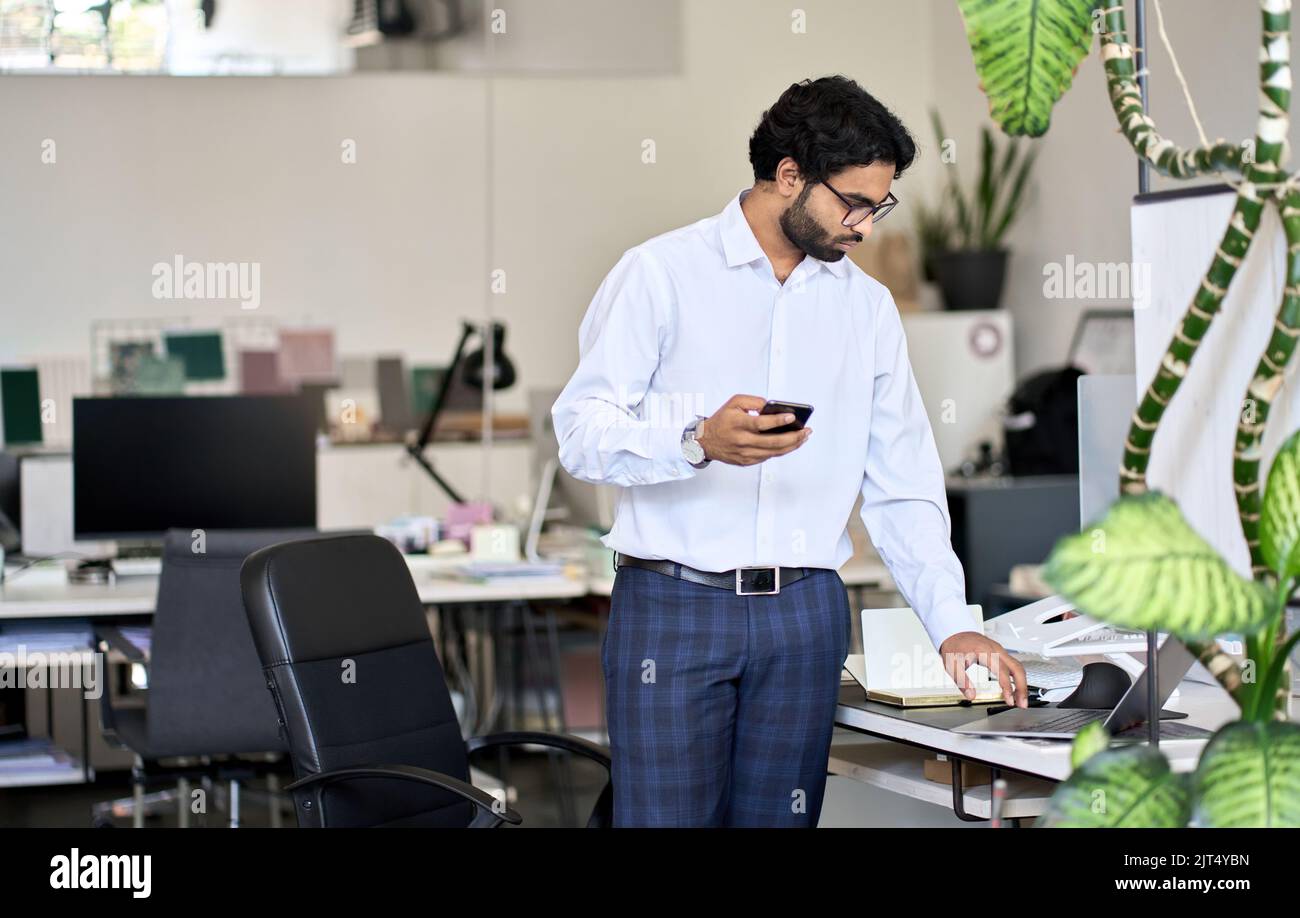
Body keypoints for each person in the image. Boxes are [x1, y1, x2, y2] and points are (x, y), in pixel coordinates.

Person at [552, 75, 1028, 828]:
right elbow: (580, 430)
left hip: (804, 618)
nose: (866, 227)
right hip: (674, 611)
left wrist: (953, 622)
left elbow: (902, 480)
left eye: (880, 205)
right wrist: (695, 442)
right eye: (855, 203)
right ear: (788, 176)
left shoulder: (865, 309)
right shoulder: (660, 275)